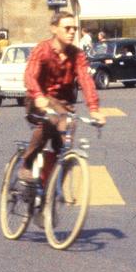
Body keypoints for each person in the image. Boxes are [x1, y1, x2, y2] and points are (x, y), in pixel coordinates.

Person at [19, 10, 101, 186]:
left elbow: (86, 81)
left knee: (64, 144)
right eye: (67, 28)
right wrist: (38, 96)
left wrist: (94, 109)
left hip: (63, 106)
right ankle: (27, 162)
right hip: (37, 99)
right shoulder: (42, 49)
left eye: (74, 28)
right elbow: (30, 75)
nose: (72, 32)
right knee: (51, 119)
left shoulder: (77, 54)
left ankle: (50, 191)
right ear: (54, 29)